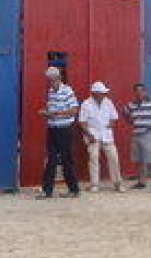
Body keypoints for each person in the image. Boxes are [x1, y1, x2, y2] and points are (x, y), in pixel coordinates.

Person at [38, 66, 80, 199]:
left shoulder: (67, 91)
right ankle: (47, 190)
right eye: (49, 80)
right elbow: (52, 109)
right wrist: (47, 113)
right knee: (50, 160)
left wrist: (56, 114)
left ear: (58, 78)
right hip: (52, 129)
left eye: (52, 79)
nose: (50, 82)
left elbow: (74, 110)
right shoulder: (51, 91)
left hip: (64, 129)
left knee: (66, 160)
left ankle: (74, 189)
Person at [78, 82, 124, 193]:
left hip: (107, 135)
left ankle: (118, 183)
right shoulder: (86, 104)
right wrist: (89, 135)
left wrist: (111, 124)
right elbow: (82, 122)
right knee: (94, 158)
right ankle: (95, 184)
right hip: (92, 135)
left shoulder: (108, 102)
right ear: (94, 93)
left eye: (104, 93)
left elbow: (114, 117)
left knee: (114, 158)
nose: (104, 94)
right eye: (102, 93)